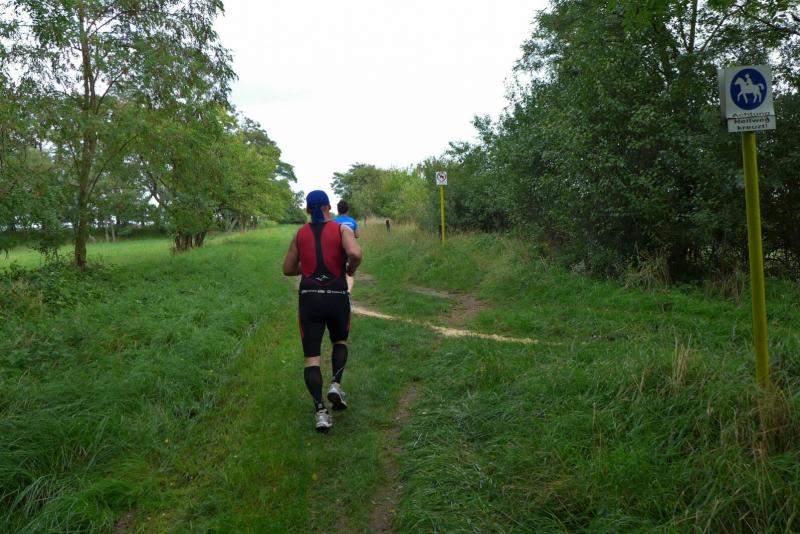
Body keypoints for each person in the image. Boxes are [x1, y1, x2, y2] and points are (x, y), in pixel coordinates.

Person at [282, 190, 362, 432]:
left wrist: (308, 268)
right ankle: (335, 384)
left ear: (308, 210)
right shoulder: (341, 229)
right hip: (337, 296)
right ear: (329, 207)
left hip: (310, 299)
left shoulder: (300, 234)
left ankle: (320, 412)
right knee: (340, 341)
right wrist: (349, 269)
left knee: (311, 358)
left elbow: (287, 269)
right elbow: (355, 253)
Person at [332, 199, 359, 292]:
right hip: (349, 249)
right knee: (349, 272)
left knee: (335, 269)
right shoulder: (352, 221)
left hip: (336, 250)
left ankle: (335, 290)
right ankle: (348, 291)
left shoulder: (333, 222)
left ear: (338, 210)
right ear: (347, 210)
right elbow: (357, 235)